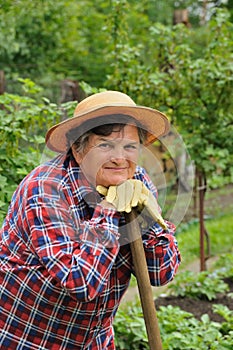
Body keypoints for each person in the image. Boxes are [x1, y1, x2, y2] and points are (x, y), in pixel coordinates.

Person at [0, 91, 181, 349]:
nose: (120, 158)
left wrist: (148, 219)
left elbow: (160, 273)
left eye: (130, 147)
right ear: (78, 148)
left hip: (92, 339)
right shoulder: (46, 191)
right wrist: (108, 209)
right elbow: (81, 283)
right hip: (28, 338)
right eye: (105, 145)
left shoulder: (136, 181)